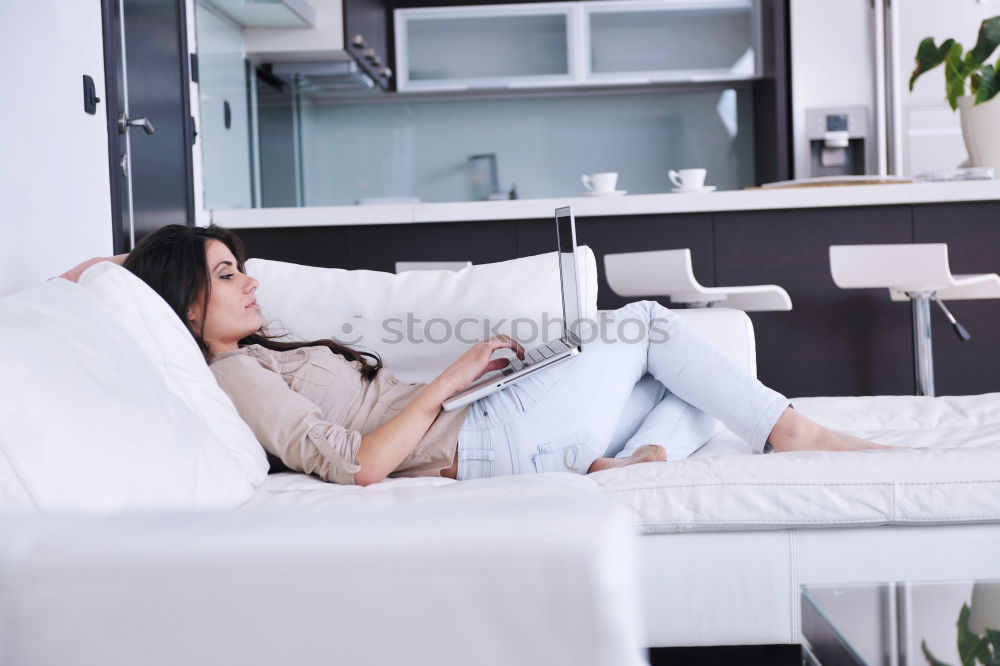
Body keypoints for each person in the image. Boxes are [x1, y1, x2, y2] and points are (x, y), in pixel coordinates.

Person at [59, 224, 888, 486]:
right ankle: (792, 432)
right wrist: (455, 377)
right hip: (478, 437)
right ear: (185, 300)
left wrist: (475, 377)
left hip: (491, 418)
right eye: (228, 274)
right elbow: (355, 464)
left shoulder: (264, 348)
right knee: (646, 325)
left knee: (699, 384)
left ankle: (642, 458)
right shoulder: (236, 373)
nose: (250, 285)